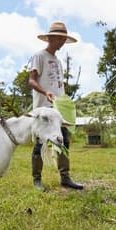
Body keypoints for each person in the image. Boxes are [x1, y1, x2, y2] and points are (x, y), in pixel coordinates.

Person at [28, 21, 83, 191]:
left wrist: (64, 102)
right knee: (40, 143)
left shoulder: (58, 61)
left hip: (58, 111)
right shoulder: (39, 56)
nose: (61, 43)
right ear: (51, 38)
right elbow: (31, 80)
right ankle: (37, 179)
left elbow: (58, 86)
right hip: (43, 109)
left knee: (63, 141)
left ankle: (65, 177)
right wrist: (45, 93)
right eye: (60, 39)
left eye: (63, 40)